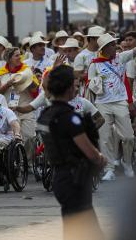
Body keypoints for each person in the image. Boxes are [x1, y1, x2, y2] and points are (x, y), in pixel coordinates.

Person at [37, 65, 106, 240]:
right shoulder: (69, 117)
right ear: (68, 88)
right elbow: (90, 152)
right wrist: (100, 158)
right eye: (74, 86)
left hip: (60, 177)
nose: (76, 89)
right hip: (75, 178)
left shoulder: (46, 114)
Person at [87, 33, 135, 180]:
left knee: (128, 137)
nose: (116, 46)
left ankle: (127, 163)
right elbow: (89, 84)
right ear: (105, 48)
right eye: (113, 45)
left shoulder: (121, 57)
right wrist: (95, 83)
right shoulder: (95, 64)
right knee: (105, 138)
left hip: (120, 102)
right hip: (102, 104)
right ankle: (109, 169)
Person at [0, 47, 39, 164]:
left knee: (29, 137)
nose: (19, 57)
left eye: (20, 55)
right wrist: (8, 84)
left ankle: (27, 161)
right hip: (9, 111)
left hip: (26, 109)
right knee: (14, 139)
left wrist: (29, 81)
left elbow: (36, 92)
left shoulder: (27, 70)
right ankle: (16, 163)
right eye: (16, 55)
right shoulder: (1, 73)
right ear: (9, 59)